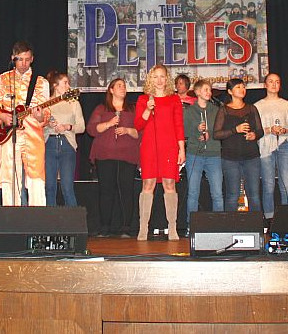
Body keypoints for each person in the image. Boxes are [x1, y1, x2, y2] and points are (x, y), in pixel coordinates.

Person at [0, 41, 48, 206]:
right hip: (8, 136)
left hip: (33, 136)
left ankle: (38, 224)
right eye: (20, 59)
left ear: (32, 59)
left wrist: (41, 116)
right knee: (9, 179)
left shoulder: (41, 82)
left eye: (27, 59)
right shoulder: (3, 79)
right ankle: (11, 224)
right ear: (13, 58)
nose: (24, 64)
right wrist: (1, 116)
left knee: (36, 180)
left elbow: (46, 115)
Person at [135, 65, 185, 241]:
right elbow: (138, 125)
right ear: (150, 79)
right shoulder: (143, 99)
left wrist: (181, 149)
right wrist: (148, 109)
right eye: (155, 77)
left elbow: (179, 125)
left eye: (162, 76)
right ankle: (143, 228)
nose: (159, 80)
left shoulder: (174, 99)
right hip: (149, 147)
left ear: (167, 79)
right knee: (147, 185)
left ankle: (172, 227)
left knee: (169, 184)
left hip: (170, 146)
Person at [86, 78, 139, 237]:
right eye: (119, 86)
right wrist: (109, 123)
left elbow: (140, 132)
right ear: (111, 90)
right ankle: (105, 227)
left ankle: (126, 227)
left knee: (127, 191)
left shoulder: (132, 109)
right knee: (106, 191)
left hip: (127, 155)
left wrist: (128, 130)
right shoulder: (102, 109)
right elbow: (91, 129)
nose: (123, 88)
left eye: (124, 86)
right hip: (105, 154)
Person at [213, 78, 264, 213]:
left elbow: (260, 131)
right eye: (238, 87)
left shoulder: (252, 108)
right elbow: (216, 134)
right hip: (230, 158)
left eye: (243, 87)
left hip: (251, 156)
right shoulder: (224, 110)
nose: (242, 89)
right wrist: (235, 130)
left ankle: (256, 227)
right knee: (232, 195)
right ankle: (231, 228)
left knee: (254, 195)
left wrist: (254, 135)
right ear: (230, 91)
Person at [255, 73, 288, 221]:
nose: (274, 84)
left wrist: (285, 130)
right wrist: (269, 130)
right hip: (266, 148)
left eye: (277, 82)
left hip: (284, 145)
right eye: (271, 82)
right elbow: (255, 131)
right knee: (268, 185)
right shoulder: (258, 106)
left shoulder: (287, 105)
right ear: (265, 85)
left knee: (286, 184)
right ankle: (269, 218)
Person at [183, 79, 223, 229]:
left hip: (214, 154)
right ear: (197, 92)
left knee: (217, 193)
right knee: (193, 192)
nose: (209, 92)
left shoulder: (216, 110)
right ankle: (191, 225)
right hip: (195, 154)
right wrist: (196, 131)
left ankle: (218, 225)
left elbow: (220, 131)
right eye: (206, 89)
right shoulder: (189, 111)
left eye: (210, 90)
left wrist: (210, 135)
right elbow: (184, 132)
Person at [44, 71, 85, 207]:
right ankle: (50, 223)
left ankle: (74, 224)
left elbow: (81, 127)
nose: (68, 86)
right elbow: (37, 124)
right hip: (49, 143)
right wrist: (47, 123)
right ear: (55, 85)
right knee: (49, 187)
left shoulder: (73, 103)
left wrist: (68, 126)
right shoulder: (45, 103)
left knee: (67, 187)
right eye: (65, 83)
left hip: (67, 145)